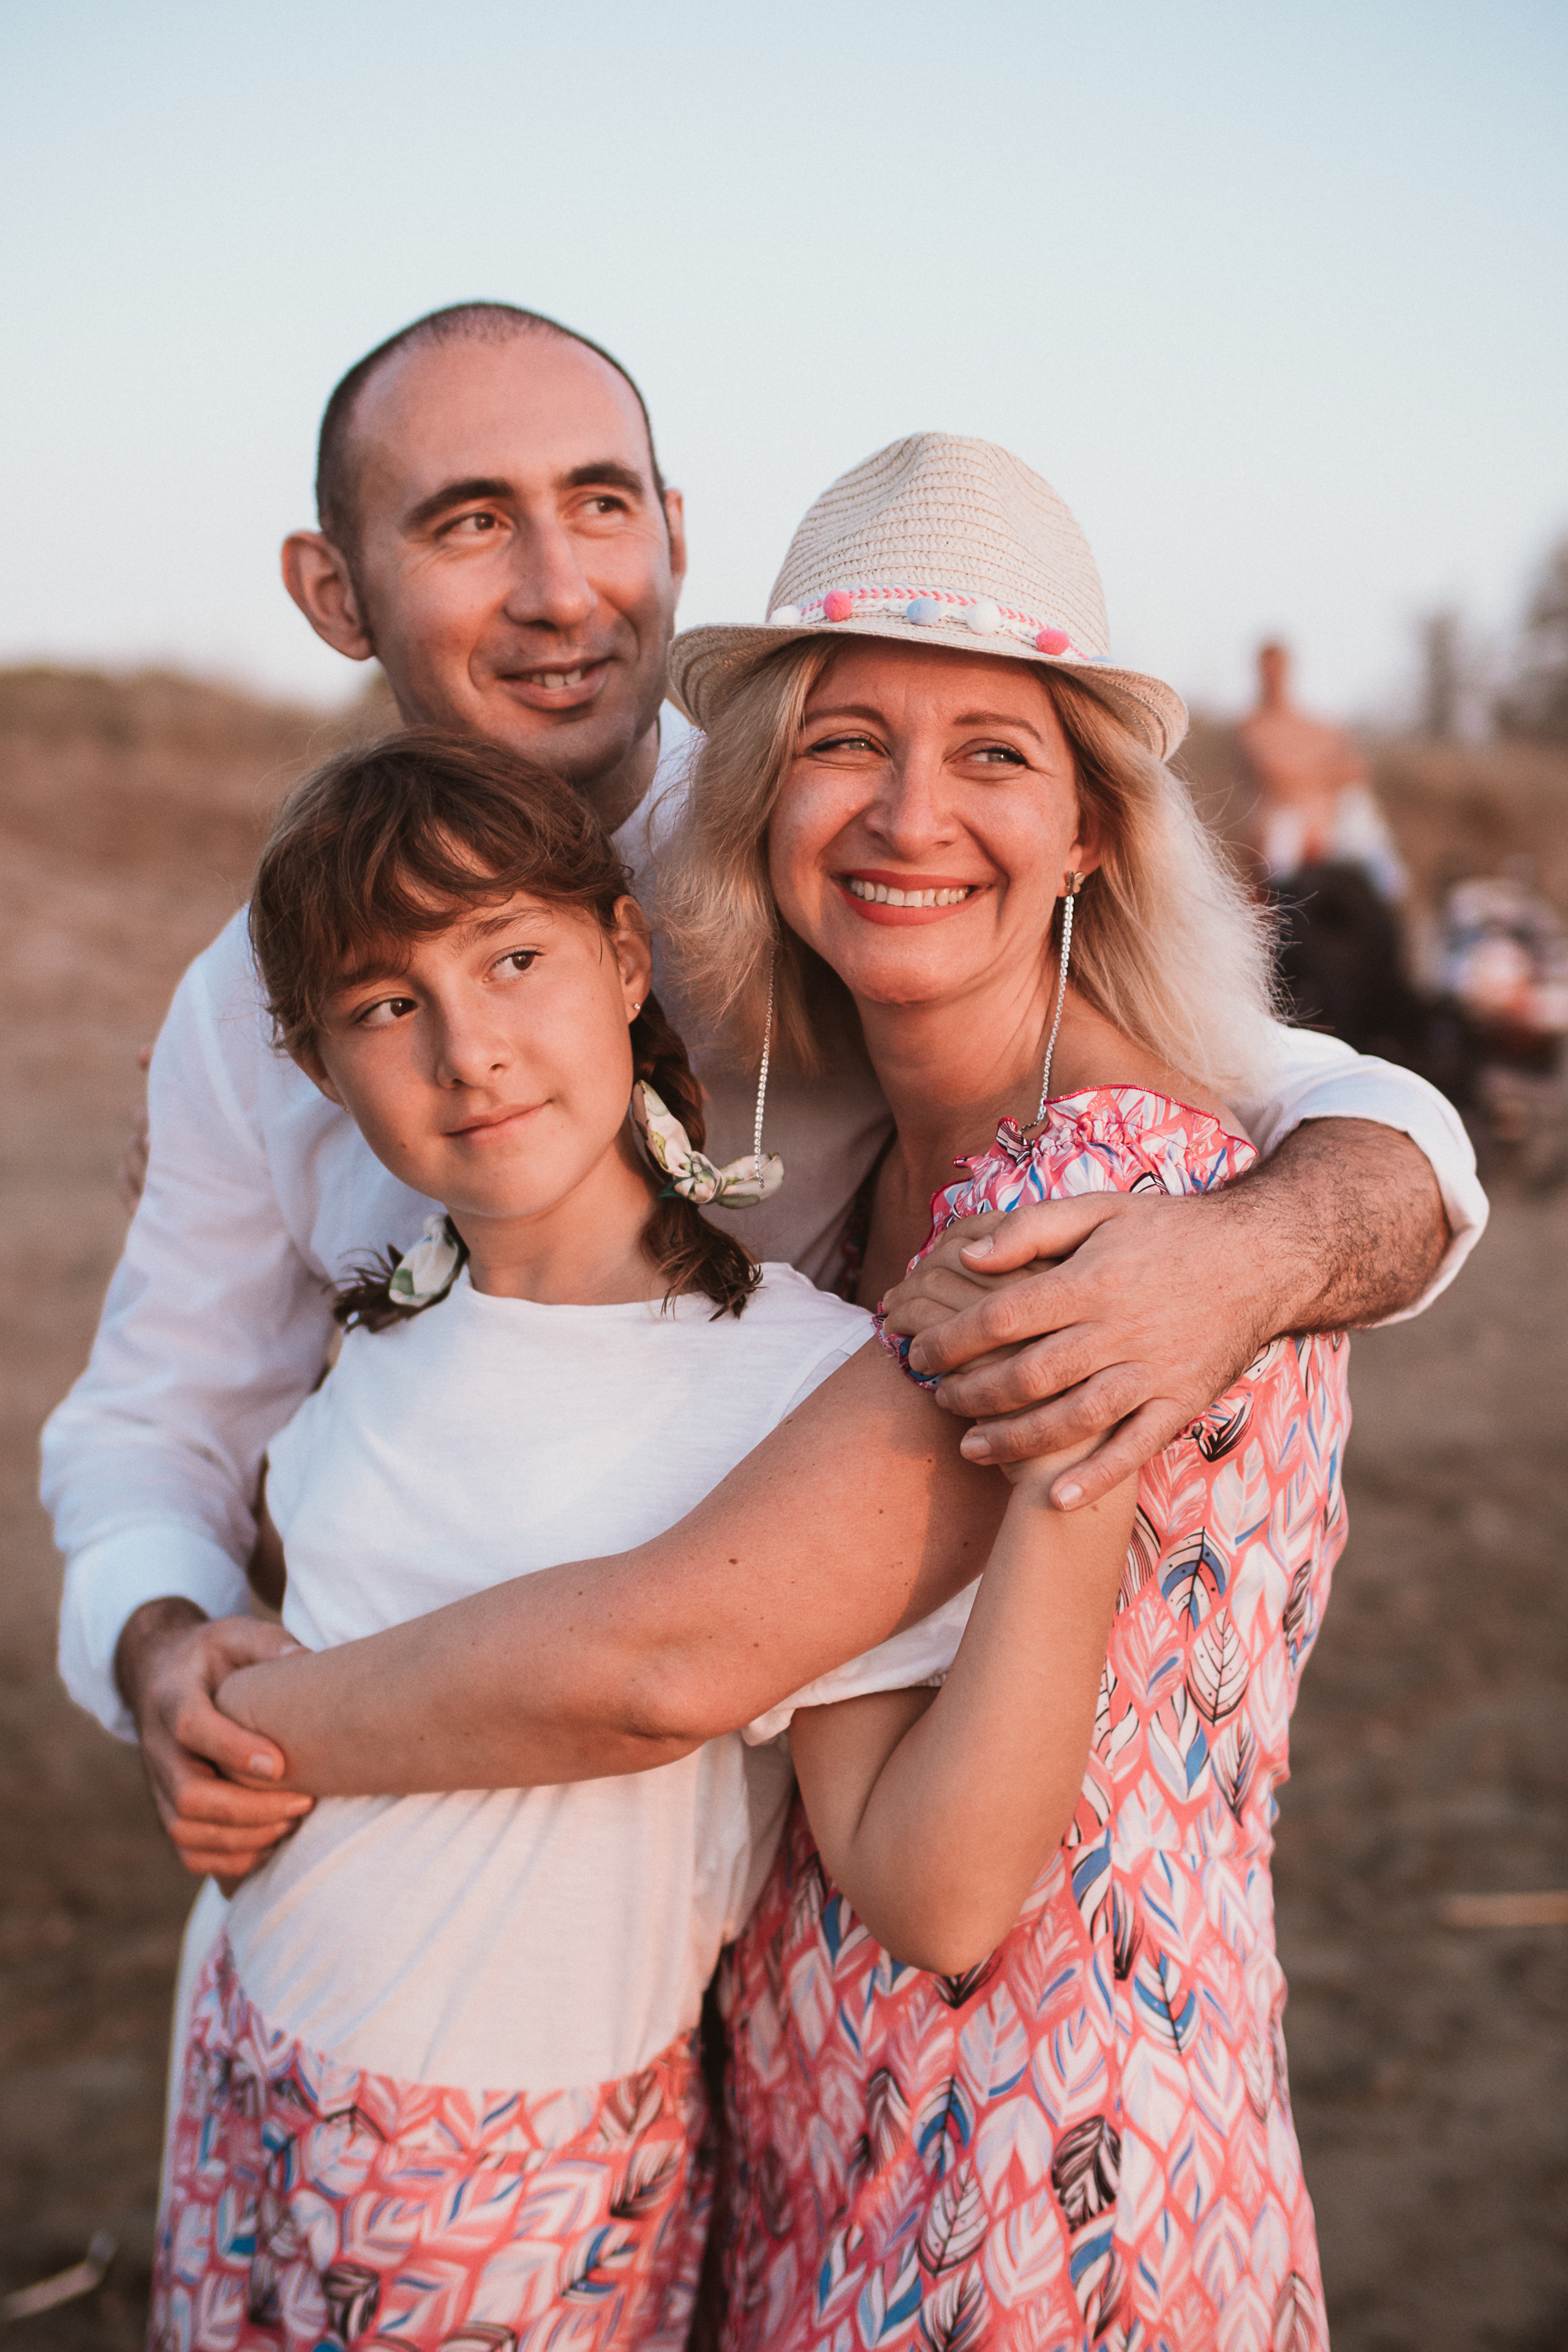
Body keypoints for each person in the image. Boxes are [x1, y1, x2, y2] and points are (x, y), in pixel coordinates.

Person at [43, 303, 1480, 1897]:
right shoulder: (252, 1002)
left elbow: (1324, 1117)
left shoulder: (834, 875)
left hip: (757, 1851)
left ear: (672, 534)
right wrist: (163, 1653)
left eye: (601, 504)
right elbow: (155, 1412)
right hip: (382, 1869)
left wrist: (1247, 1259)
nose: (557, 588)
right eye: (467, 521)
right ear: (334, 589)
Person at [211, 437, 1355, 2344]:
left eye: (993, 750)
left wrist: (261, 1727)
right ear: (760, 801)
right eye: (846, 740)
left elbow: (673, 1652)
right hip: (815, 2117)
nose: (910, 811)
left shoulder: (1095, 1205)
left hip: (1035, 2167)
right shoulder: (841, 1193)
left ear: (1088, 828)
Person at [155, 729, 1027, 2351]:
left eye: (513, 958)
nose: (468, 1048)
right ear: (317, 1062)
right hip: (244, 2031)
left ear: (626, 958)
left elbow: (918, 1871)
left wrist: (1075, 1482)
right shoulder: (394, 1312)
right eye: (385, 1006)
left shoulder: (797, 1384)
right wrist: (202, 1655)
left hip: (507, 2143)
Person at [1237, 638, 1407, 901]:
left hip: (1331, 825)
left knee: (1362, 816)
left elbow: (1356, 771)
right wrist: (1324, 772)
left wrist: (1304, 778)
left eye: (1278, 668)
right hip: (1285, 826)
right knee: (1280, 849)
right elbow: (1274, 777)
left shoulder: (1320, 726)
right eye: (1268, 669)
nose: (1273, 677)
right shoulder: (1251, 727)